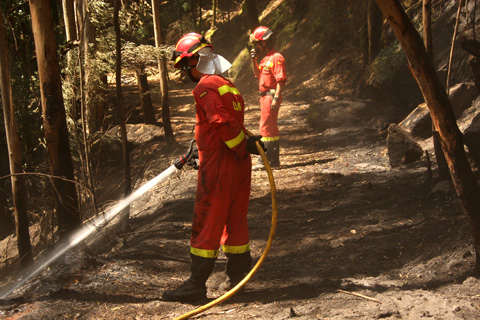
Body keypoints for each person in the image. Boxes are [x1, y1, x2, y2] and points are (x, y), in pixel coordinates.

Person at [162, 33, 265, 302]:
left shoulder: (204, 87)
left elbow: (219, 122)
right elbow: (224, 124)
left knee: (207, 220)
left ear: (197, 60)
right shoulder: (228, 86)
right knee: (235, 221)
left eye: (186, 66)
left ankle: (196, 285)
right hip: (238, 165)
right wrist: (202, 144)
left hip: (219, 167)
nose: (186, 73)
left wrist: (238, 145)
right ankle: (237, 279)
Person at [250, 26, 287, 170]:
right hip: (264, 97)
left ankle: (265, 161)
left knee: (266, 128)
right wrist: (253, 60)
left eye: (256, 44)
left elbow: (281, 80)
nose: (255, 47)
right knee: (267, 128)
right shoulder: (265, 59)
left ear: (264, 43)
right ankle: (272, 161)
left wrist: (276, 97)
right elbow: (257, 75)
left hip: (270, 96)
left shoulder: (276, 57)